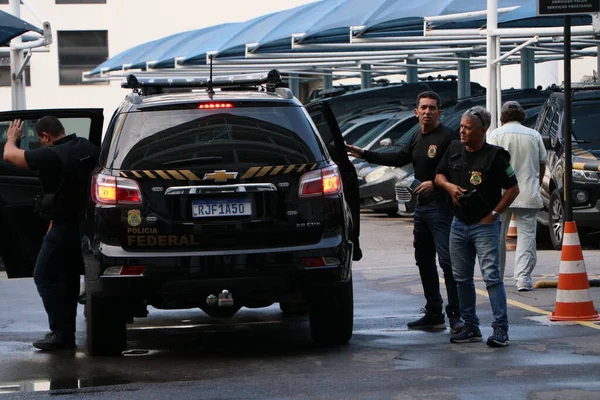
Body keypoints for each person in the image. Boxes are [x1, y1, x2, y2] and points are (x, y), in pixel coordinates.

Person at [346, 91, 463, 333]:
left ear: (439, 112)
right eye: (424, 107)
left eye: (432, 108)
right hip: (421, 209)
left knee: (448, 263)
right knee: (423, 261)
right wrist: (364, 153)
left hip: (442, 210)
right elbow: (398, 158)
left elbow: (459, 170)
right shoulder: (417, 137)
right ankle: (434, 313)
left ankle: (456, 316)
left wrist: (436, 182)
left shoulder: (449, 138)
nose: (428, 111)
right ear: (416, 112)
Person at [3, 117, 99, 351]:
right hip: (88, 226)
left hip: (64, 227)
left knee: (44, 276)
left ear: (45, 136)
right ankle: (66, 334)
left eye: (40, 139)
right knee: (67, 277)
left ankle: (60, 333)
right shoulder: (88, 147)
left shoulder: (51, 155)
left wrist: (11, 138)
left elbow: (9, 156)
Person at [435, 106, 519, 347]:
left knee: (492, 277)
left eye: (467, 127)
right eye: (461, 126)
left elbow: (513, 188)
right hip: (459, 224)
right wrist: (449, 187)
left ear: (482, 130)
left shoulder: (496, 156)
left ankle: (500, 329)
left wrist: (494, 214)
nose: (462, 131)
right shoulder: (453, 149)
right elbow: (439, 175)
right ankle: (471, 327)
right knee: (461, 278)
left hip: (484, 225)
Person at [488, 101, 547, 291]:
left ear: (502, 117)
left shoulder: (496, 134)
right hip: (527, 192)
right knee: (527, 237)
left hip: (501, 194)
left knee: (497, 236)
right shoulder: (534, 135)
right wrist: (535, 185)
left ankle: (496, 277)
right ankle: (523, 279)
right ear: (522, 116)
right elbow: (542, 163)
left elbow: (489, 164)